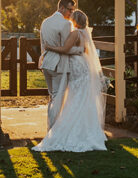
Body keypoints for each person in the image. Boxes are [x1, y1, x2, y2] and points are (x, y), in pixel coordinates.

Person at [33, 9, 107, 152]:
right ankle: (88, 130)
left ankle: (64, 131)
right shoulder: (85, 33)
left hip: (76, 65)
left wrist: (49, 47)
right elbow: (83, 50)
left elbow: (65, 49)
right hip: (83, 64)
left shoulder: (75, 33)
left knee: (73, 97)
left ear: (74, 20)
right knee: (84, 97)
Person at [38, 0, 81, 129]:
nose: (71, 13)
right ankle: (54, 130)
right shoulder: (65, 24)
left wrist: (42, 59)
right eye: (69, 9)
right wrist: (80, 50)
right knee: (57, 98)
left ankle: (50, 128)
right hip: (59, 65)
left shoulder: (45, 22)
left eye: (72, 10)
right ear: (61, 8)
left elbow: (43, 45)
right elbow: (65, 48)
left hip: (46, 64)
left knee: (52, 97)